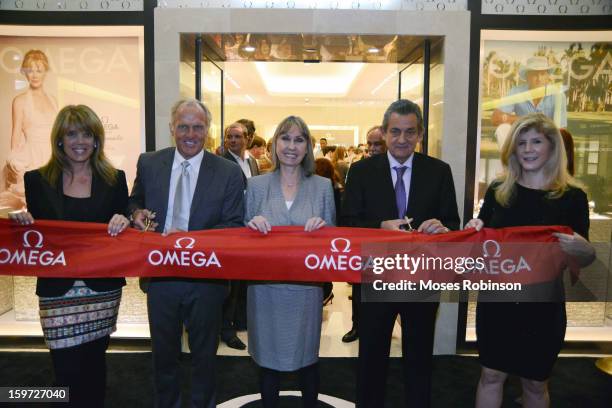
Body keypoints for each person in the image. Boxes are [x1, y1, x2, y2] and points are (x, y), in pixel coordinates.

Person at [464, 113, 595, 408]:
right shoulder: (499, 191)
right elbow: (480, 239)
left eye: (536, 141)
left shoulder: (572, 198)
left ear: (552, 147)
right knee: (491, 375)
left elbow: (585, 259)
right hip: (497, 304)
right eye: (521, 142)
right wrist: (473, 230)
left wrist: (580, 247)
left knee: (535, 384)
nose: (527, 149)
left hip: (543, 307)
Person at [8, 104, 130, 407]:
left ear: (97, 139)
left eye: (87, 134)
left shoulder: (115, 179)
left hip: (101, 289)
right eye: (71, 133)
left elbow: (127, 220)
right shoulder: (36, 180)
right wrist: (21, 221)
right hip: (57, 291)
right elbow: (37, 231)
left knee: (94, 364)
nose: (80, 141)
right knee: (64, 368)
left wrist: (124, 220)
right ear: (59, 139)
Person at [342, 99, 460, 407]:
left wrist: (441, 227)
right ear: (383, 132)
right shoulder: (361, 171)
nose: (402, 139)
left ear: (420, 134)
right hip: (375, 279)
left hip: (422, 280)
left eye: (410, 132)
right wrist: (380, 226)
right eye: (395, 131)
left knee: (419, 358)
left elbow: (453, 223)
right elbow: (347, 224)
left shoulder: (439, 171)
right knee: (371, 358)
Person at [128, 99, 245, 408]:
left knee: (204, 357)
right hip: (161, 277)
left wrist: (189, 241)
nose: (190, 134)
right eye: (183, 127)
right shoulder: (149, 163)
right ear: (172, 129)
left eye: (197, 127)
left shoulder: (228, 173)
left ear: (207, 130)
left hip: (206, 279)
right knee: (163, 355)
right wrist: (136, 213)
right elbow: (133, 202)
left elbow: (233, 226)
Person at [245, 115, 335, 408]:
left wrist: (323, 228)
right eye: (285, 138)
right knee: (267, 361)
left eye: (299, 140)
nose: (292, 146)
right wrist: (251, 225)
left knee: (307, 359)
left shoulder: (322, 186)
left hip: (306, 291)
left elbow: (334, 244)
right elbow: (241, 242)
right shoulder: (256, 186)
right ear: (275, 144)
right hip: (264, 291)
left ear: (308, 147)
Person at [342, 124, 388, 344]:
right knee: (361, 291)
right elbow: (349, 212)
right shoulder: (359, 170)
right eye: (369, 144)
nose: (372, 148)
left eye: (377, 143)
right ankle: (357, 326)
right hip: (365, 242)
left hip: (396, 248)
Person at [2, 49, 58, 209]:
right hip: (31, 158)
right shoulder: (19, 101)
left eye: (39, 70)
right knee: (33, 206)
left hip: (53, 157)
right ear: (25, 73)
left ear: (45, 72)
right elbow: (15, 136)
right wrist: (15, 162)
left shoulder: (53, 101)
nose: (34, 75)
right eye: (30, 70)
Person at [221, 122, 259, 350]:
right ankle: (226, 328)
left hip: (250, 227)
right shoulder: (222, 163)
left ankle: (242, 320)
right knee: (229, 282)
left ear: (248, 138)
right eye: (229, 137)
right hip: (231, 228)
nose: (233, 141)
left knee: (244, 279)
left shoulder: (251, 161)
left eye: (237, 137)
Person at [492, 56, 567, 148]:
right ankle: (510, 161)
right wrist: (525, 119)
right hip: (522, 136)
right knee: (502, 129)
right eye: (534, 74)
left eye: (542, 74)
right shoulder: (516, 92)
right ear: (527, 77)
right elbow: (495, 117)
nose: (539, 78)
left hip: (546, 138)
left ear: (548, 76)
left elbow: (560, 129)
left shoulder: (558, 95)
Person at [314, 157, 344, 307]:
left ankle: (326, 292)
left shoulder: (323, 188)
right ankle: (327, 291)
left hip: (320, 231)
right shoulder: (336, 186)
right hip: (331, 231)